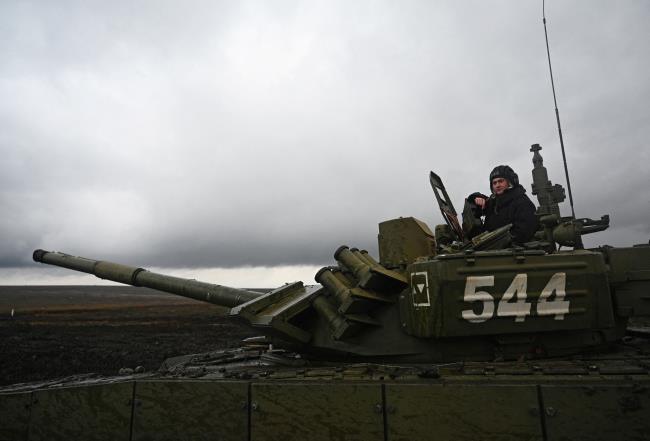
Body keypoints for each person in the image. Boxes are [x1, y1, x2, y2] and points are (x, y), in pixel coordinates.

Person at [465, 165, 538, 244]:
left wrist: (496, 244)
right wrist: (477, 198)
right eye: (494, 183)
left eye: (501, 181)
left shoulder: (522, 202)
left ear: (510, 182)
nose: (497, 185)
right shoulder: (493, 202)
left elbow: (523, 232)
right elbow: (471, 201)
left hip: (512, 252)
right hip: (491, 249)